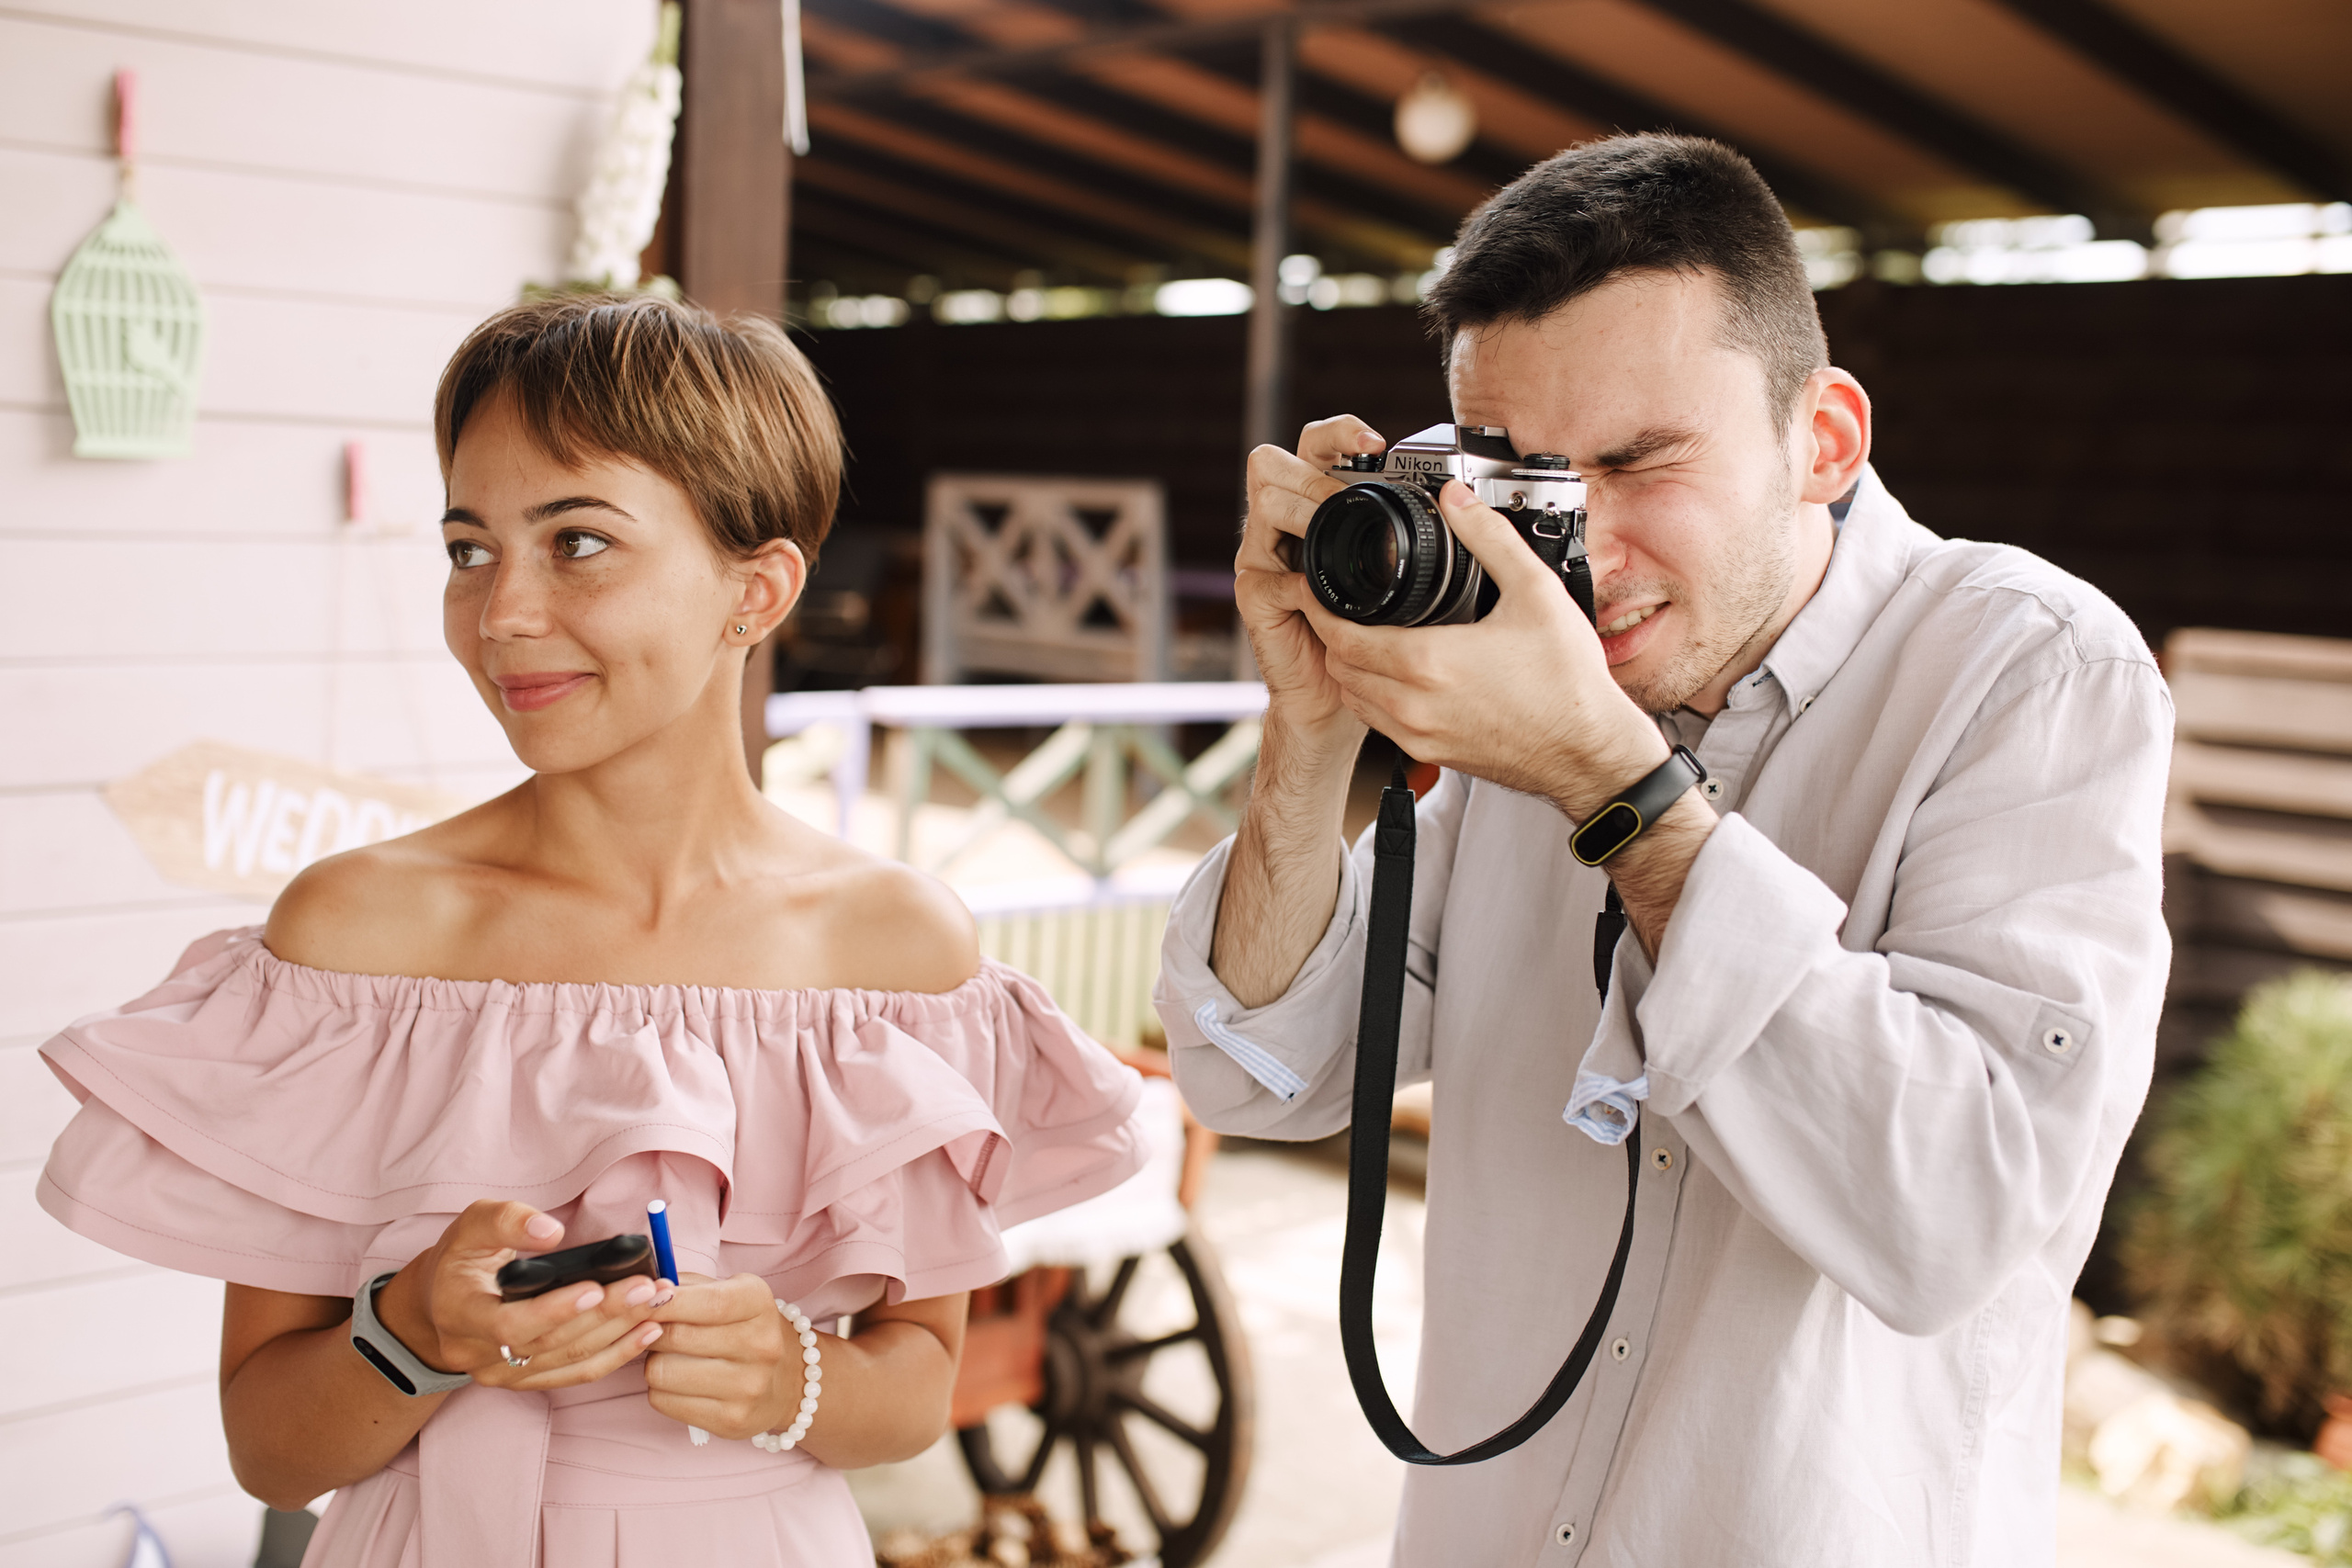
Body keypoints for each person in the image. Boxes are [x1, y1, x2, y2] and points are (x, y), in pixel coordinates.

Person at [1154, 134, 2170, 1567]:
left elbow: (1954, 1210)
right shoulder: (1534, 670)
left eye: (1639, 463)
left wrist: (1607, 781)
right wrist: (1312, 726)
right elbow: (1260, 1067)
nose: (1588, 550)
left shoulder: (2029, 671)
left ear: (1823, 438)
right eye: (1530, 482)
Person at [37, 295, 1148, 1564]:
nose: (501, 610)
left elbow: (912, 1390)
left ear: (759, 587)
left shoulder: (898, 956)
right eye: (469, 548)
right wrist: (416, 1333)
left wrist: (791, 1379)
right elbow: (271, 1451)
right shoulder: (356, 937)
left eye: (576, 542)